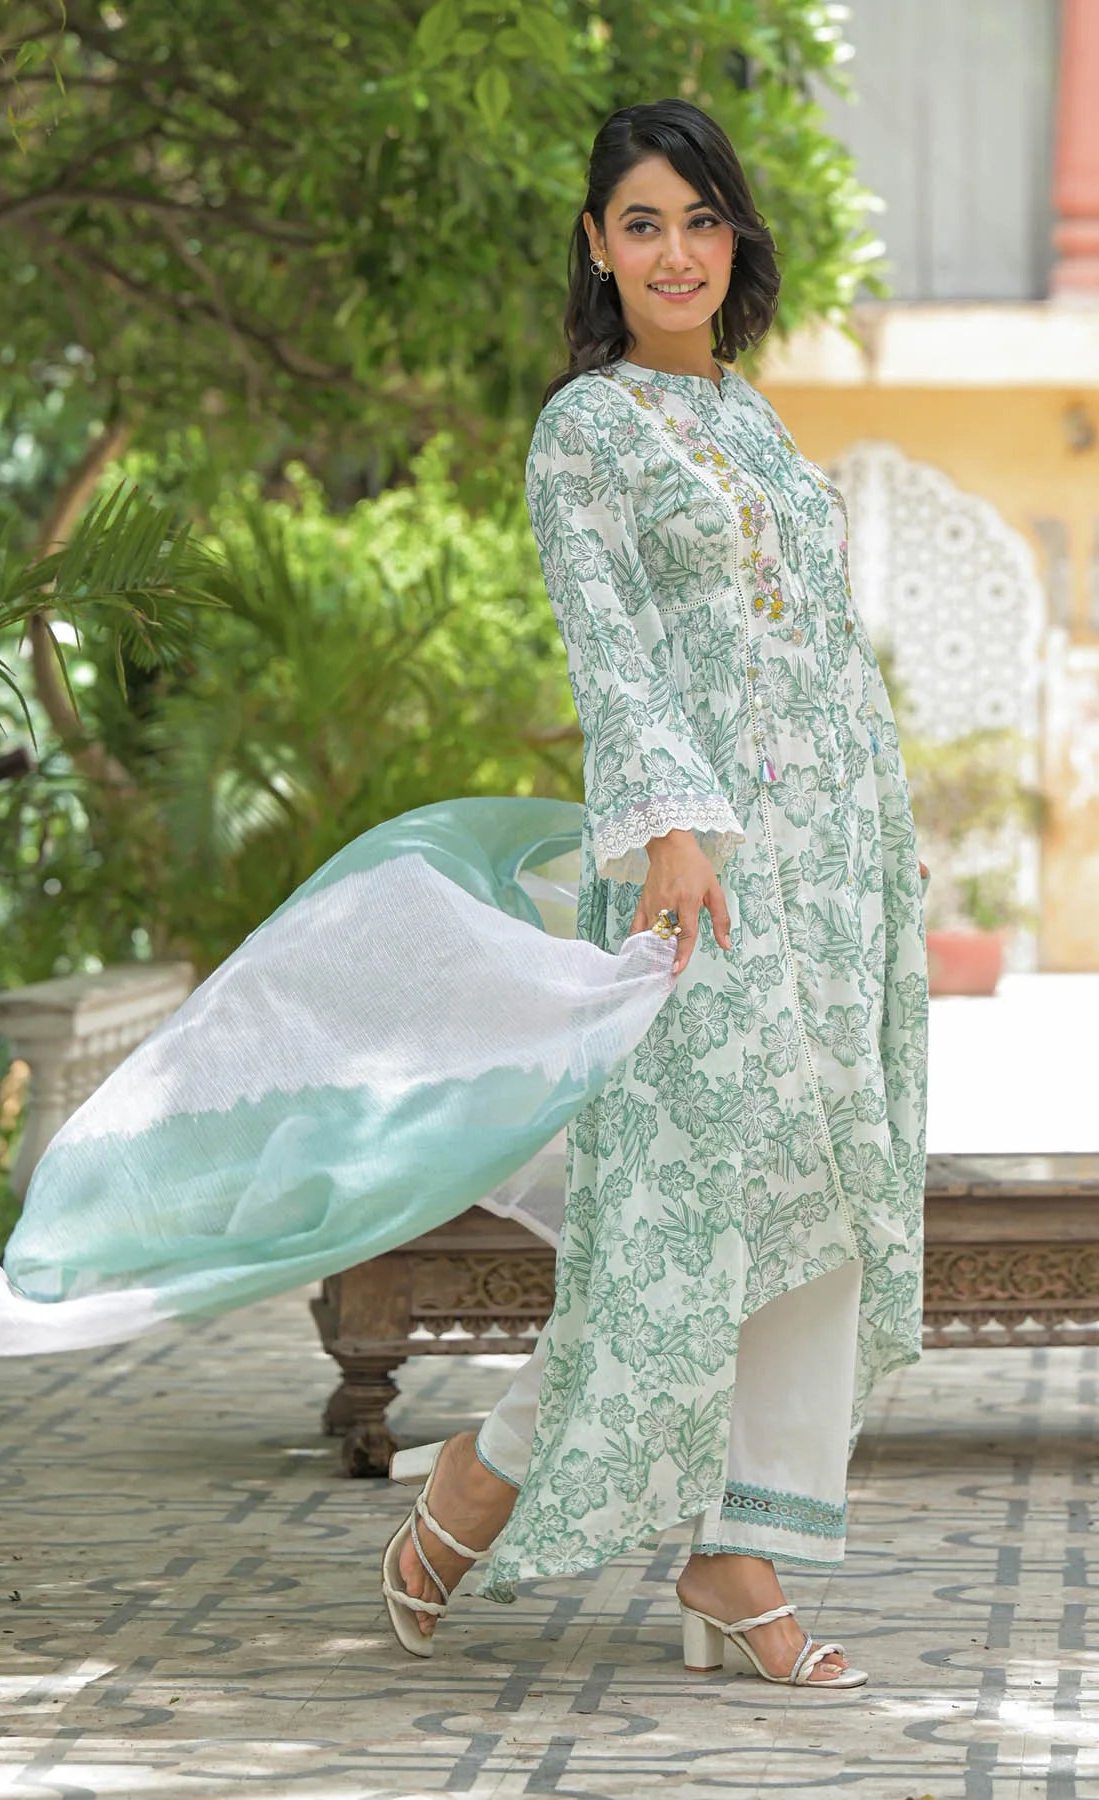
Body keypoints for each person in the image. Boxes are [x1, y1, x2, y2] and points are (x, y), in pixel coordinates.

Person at [381, 98, 930, 1690]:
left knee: (811, 1195)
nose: (675, 251)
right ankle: (478, 1486)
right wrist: (673, 827)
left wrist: (878, 852)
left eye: (699, 220)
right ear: (597, 246)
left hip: (833, 873)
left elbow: (815, 654)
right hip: (702, 870)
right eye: (641, 223)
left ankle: (735, 1545)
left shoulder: (753, 418)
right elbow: (610, 644)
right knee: (679, 1218)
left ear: (736, 238)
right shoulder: (590, 429)